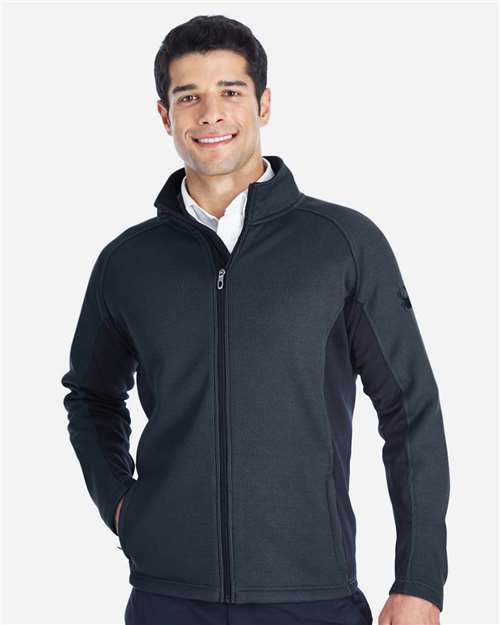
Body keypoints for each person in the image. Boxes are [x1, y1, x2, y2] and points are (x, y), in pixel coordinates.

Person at [61, 14, 450, 625]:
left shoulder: (343, 244)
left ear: (263, 104)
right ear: (164, 115)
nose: (210, 114)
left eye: (230, 92)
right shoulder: (127, 262)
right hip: (167, 598)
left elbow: (410, 409)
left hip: (311, 596)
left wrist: (420, 580)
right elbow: (91, 396)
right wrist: (123, 508)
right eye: (189, 97)